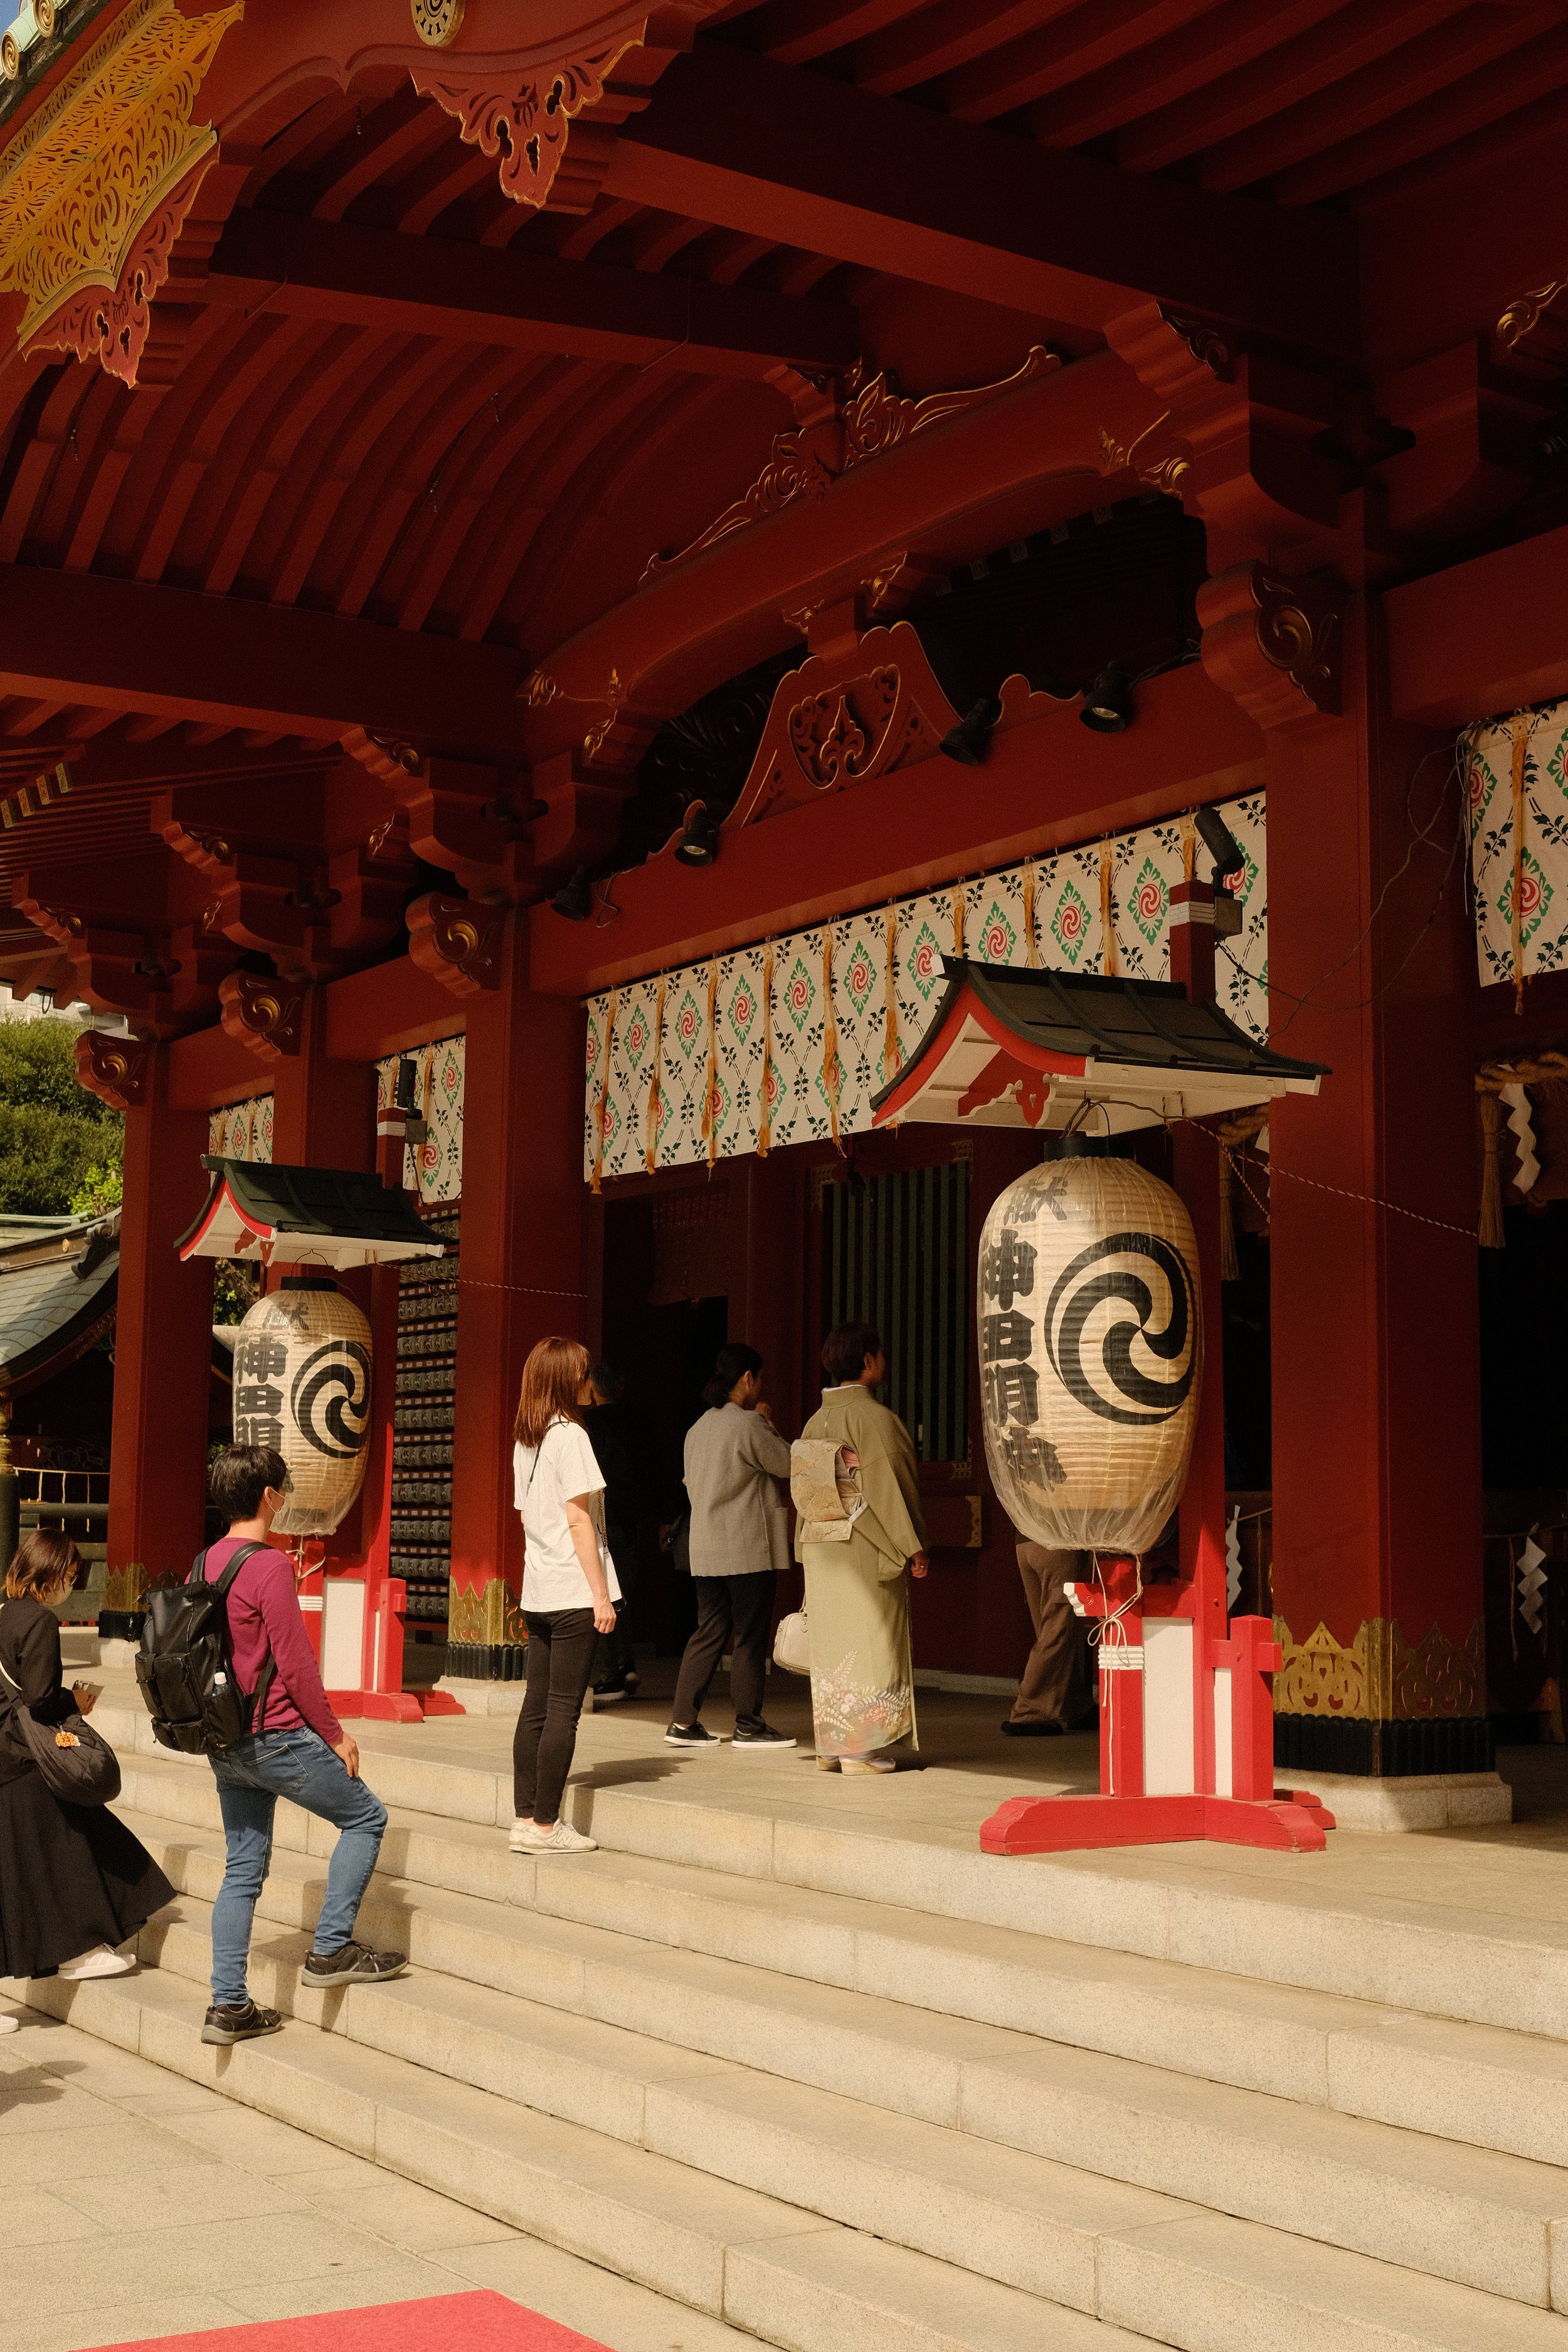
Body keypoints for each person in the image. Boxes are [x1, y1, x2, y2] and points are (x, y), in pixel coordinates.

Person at [202, 1446, 407, 2048]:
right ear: (268, 1496)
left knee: (242, 1870)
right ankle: (330, 1950)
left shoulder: (204, 1561)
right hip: (276, 1735)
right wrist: (336, 1734)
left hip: (225, 1740)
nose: (285, 1495)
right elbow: (295, 1663)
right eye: (282, 1488)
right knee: (367, 1817)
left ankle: (228, 2006)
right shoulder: (267, 1566)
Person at [0, 1530, 174, 1996]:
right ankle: (80, 1951)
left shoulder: (4, 1615)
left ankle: (81, 1950)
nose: (70, 1588)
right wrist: (73, 1700)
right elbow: (39, 1697)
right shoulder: (38, 1620)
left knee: (57, 1854)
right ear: (50, 1573)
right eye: (69, 1577)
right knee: (71, 1848)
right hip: (30, 1758)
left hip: (9, 1757)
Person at [797, 1320, 928, 1774]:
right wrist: (912, 1545)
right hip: (864, 1548)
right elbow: (890, 1486)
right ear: (869, 1361)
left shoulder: (817, 1420)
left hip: (822, 1546)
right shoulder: (874, 1419)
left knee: (835, 1647)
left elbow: (808, 1495)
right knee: (873, 1642)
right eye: (881, 1355)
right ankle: (861, 1751)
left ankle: (832, 1745)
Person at [511, 1334, 620, 1854]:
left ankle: (524, 1817)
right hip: (574, 1588)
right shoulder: (571, 1438)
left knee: (536, 1707)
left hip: (539, 1587)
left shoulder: (525, 1440)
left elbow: (528, 1516)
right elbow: (579, 1520)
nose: (587, 1382)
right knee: (562, 1709)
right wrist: (601, 1595)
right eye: (581, 1373)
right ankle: (546, 1824)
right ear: (564, 1380)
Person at [667, 1342, 795, 1753]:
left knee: (709, 1632)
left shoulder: (697, 1429)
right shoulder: (748, 1424)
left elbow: (690, 1485)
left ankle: (683, 1721)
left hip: (706, 1549)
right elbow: (790, 1464)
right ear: (747, 1379)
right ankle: (748, 1724)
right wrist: (769, 1424)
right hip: (745, 1547)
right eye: (759, 1379)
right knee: (750, 1636)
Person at [583, 1360, 660, 1704]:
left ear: (593, 1390)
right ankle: (626, 1660)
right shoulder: (641, 1423)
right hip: (631, 1520)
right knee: (621, 1593)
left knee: (598, 1596)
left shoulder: (585, 1425)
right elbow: (653, 1471)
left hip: (596, 1520)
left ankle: (610, 1673)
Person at [1002, 1531, 1096, 1737]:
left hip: (1024, 1544)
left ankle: (1077, 1705)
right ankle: (1028, 1713)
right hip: (1058, 1544)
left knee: (1049, 1635)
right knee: (1057, 1634)